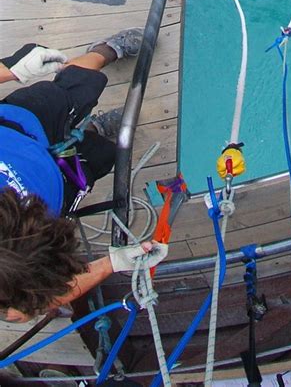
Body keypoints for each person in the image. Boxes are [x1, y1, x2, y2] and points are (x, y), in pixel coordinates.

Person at [0, 30, 166, 322]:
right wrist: (110, 264)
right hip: (61, 185)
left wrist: (10, 70)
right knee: (102, 156)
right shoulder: (19, 278)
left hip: (22, 122)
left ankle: (104, 51)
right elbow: (22, 309)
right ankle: (92, 131)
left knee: (77, 84)